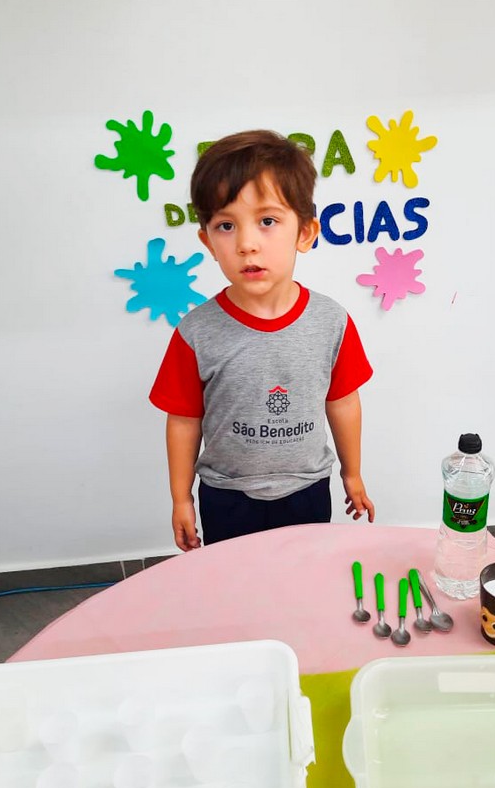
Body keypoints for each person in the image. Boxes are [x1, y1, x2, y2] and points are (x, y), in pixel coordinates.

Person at [149, 129, 375, 550]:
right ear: (208, 242)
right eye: (226, 225)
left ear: (305, 233)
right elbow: (183, 420)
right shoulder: (195, 333)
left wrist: (352, 473)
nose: (246, 244)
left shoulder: (332, 321)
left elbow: (343, 401)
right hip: (226, 495)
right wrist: (181, 499)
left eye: (267, 221)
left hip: (307, 489)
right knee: (235, 582)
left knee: (303, 575)